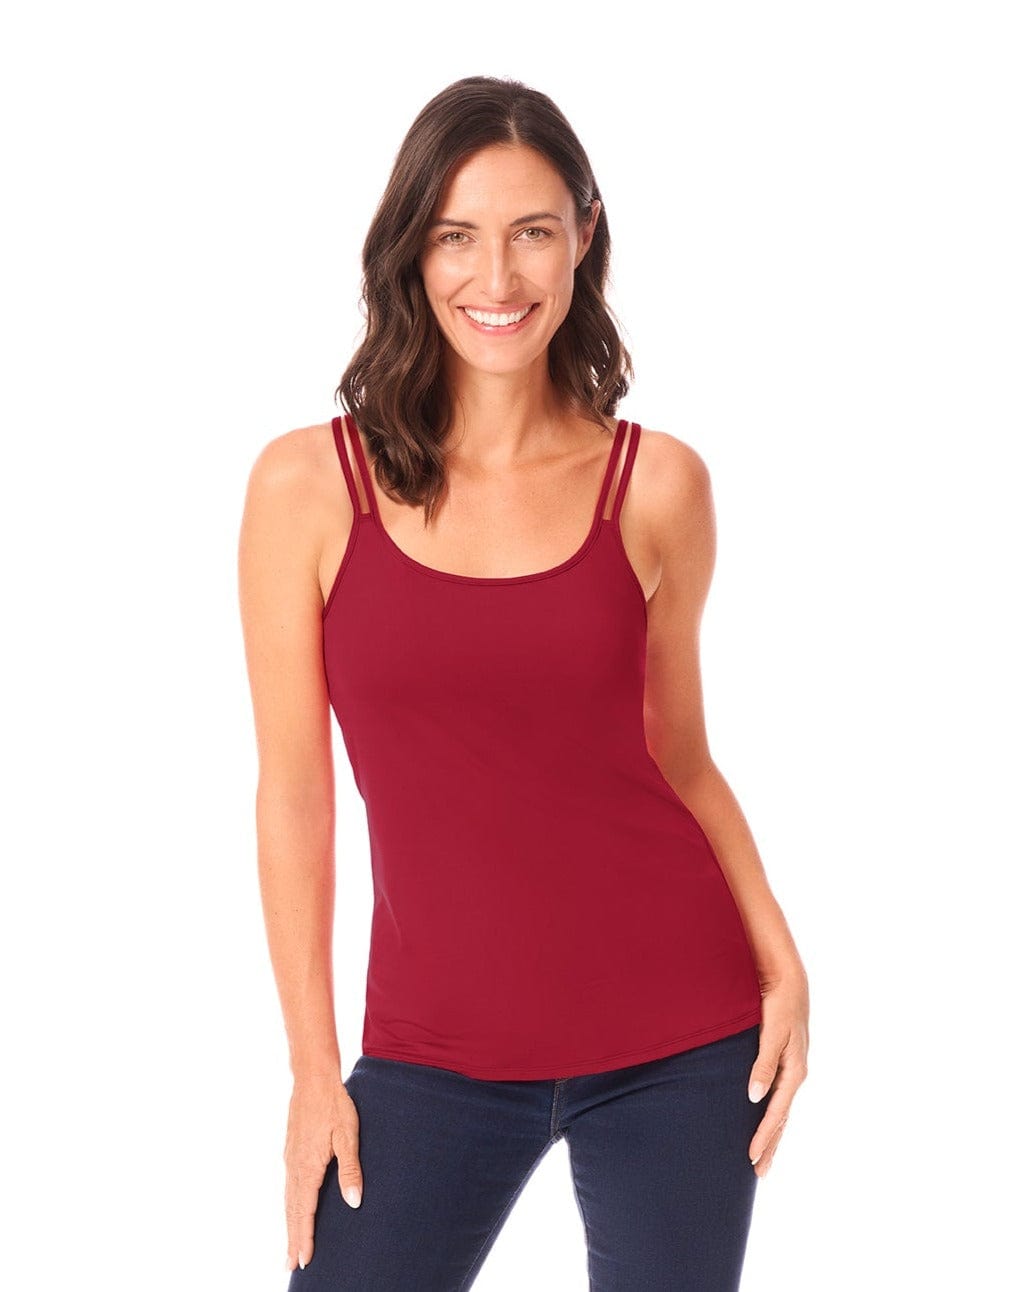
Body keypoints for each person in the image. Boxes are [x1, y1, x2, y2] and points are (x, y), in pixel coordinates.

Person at [238, 74, 810, 1292]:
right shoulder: (307, 488)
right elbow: (294, 795)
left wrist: (781, 957)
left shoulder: (658, 486)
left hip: (680, 1040)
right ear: (412, 247)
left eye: (532, 231)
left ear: (584, 235)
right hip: (431, 1052)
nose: (495, 277)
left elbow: (680, 755)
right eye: (457, 235)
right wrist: (312, 1068)